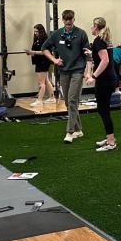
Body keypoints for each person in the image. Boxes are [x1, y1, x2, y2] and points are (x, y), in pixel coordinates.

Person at [42, 10, 89, 143]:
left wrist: (88, 71)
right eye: (66, 20)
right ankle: (79, 129)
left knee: (73, 100)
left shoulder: (81, 34)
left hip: (77, 71)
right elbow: (44, 48)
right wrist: (54, 60)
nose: (68, 22)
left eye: (70, 20)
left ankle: (70, 132)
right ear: (62, 20)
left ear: (74, 19)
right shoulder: (57, 34)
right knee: (68, 102)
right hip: (64, 71)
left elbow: (88, 54)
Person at [85, 17, 118, 152]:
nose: (91, 28)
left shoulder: (99, 40)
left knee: (103, 110)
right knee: (103, 109)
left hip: (105, 80)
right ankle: (110, 137)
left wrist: (93, 76)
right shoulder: (104, 40)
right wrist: (90, 52)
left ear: (96, 27)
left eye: (92, 26)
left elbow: (105, 60)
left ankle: (111, 143)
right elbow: (102, 57)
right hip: (109, 79)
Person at [26, 24, 55, 107]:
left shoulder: (45, 40)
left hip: (43, 62)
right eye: (34, 31)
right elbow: (36, 50)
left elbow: (45, 52)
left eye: (37, 31)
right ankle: (52, 98)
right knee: (46, 80)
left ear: (41, 31)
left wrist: (33, 52)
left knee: (41, 83)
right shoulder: (37, 39)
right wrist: (30, 52)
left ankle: (39, 100)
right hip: (39, 61)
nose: (35, 33)